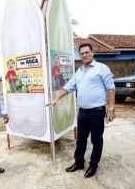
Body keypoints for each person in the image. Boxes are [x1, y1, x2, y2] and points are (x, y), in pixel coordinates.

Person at [48, 43, 115, 178]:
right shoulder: (79, 71)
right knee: (81, 139)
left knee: (96, 140)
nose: (84, 55)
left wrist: (111, 109)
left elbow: (111, 88)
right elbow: (68, 87)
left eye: (86, 52)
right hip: (83, 112)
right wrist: (57, 99)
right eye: (82, 53)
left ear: (92, 52)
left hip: (97, 112)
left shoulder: (102, 68)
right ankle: (79, 162)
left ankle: (93, 165)